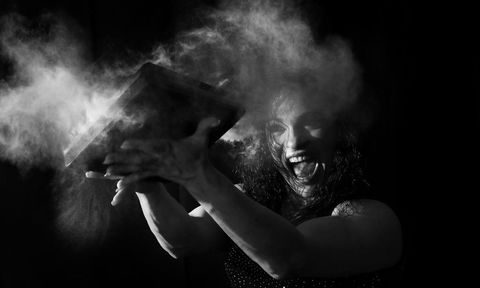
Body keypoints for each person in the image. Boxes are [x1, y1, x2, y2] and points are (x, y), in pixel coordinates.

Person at [85, 81, 403, 287]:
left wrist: (196, 174)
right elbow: (182, 239)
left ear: (340, 134)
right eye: (277, 127)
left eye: (313, 122)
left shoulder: (374, 218)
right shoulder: (250, 198)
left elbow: (289, 258)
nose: (294, 142)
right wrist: (147, 185)